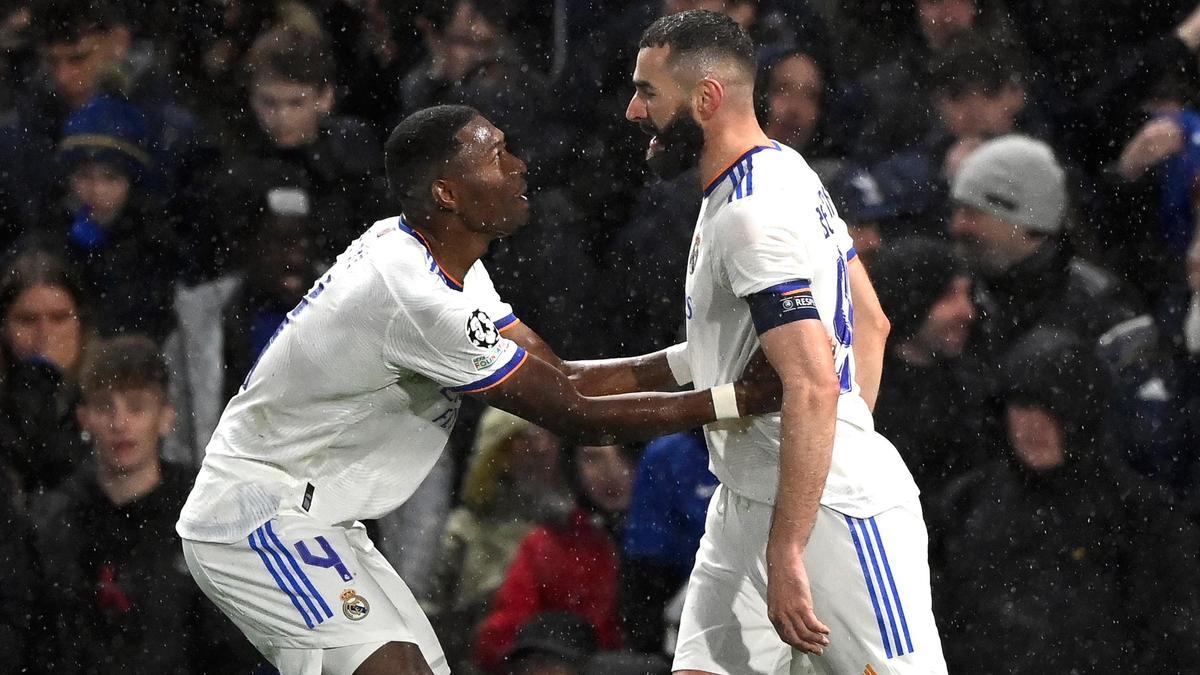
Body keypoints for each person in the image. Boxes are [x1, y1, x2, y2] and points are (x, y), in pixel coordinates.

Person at [176, 104, 780, 675]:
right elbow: (575, 416)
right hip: (256, 514)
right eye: (497, 156)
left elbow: (562, 375)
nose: (518, 166)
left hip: (322, 517)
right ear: (447, 192)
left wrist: (696, 359)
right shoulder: (416, 298)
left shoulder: (443, 260)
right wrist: (736, 400)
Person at [623, 11, 945, 673]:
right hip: (750, 501)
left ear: (706, 100)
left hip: (827, 515)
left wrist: (796, 532)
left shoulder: (750, 214)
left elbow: (813, 381)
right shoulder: (786, 171)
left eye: (648, 92)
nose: (633, 110)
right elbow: (870, 321)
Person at [32, 335, 257, 674]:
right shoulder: (54, 520)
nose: (120, 423)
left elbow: (231, 644)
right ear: (84, 418)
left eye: (136, 407)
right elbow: (38, 638)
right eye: (105, 407)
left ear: (166, 417)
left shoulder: (207, 513)